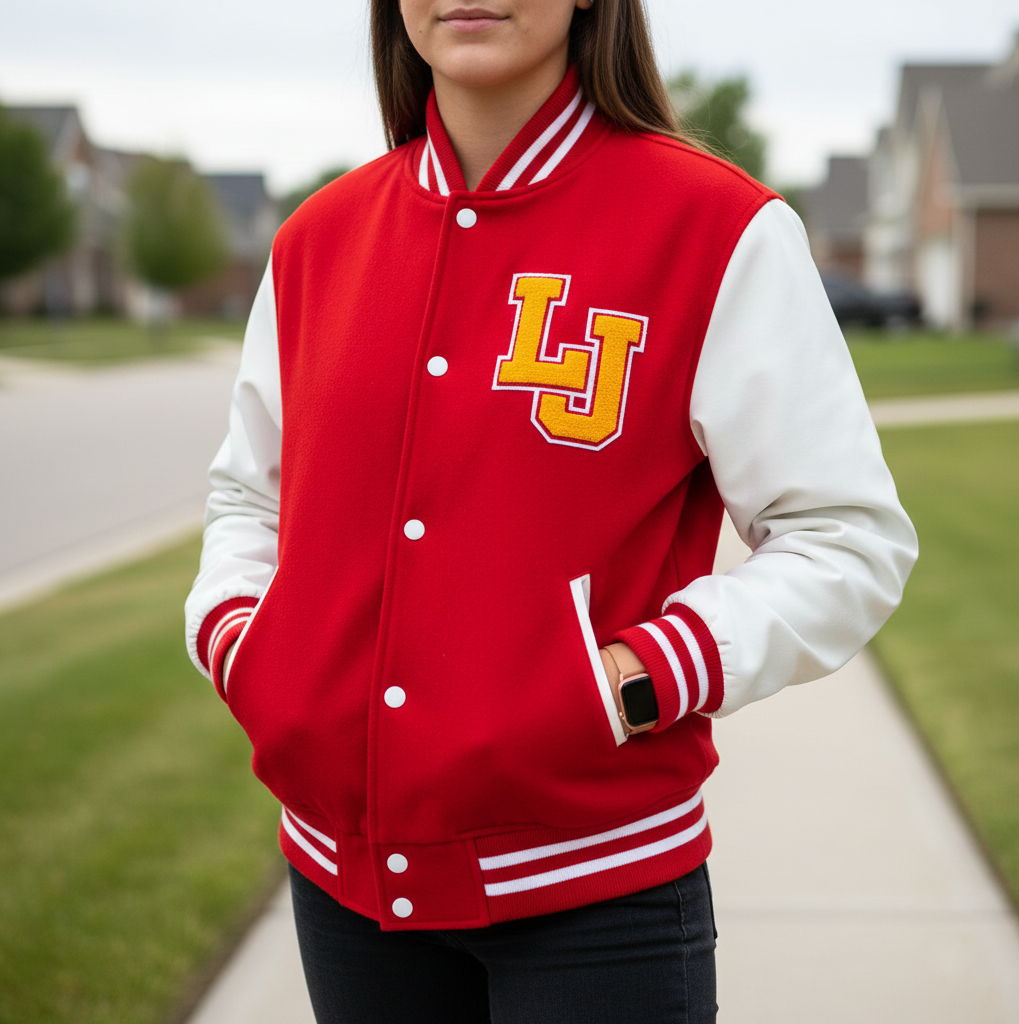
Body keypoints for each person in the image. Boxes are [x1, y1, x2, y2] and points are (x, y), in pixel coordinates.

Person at [185, 1, 917, 1020]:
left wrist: (634, 678)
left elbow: (847, 538)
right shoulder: (319, 238)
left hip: (598, 896)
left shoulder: (716, 227)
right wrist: (241, 643)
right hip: (343, 889)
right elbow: (247, 495)